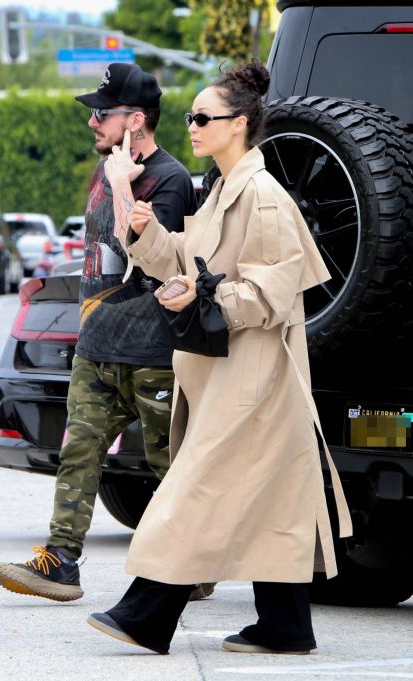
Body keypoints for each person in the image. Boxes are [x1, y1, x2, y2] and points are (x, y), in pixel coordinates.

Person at [86, 59, 352, 655]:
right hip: (227, 370)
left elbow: (275, 289)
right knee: (271, 501)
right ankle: (285, 626)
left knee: (195, 491)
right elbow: (184, 258)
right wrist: (142, 220)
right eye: (191, 117)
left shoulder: (262, 195)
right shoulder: (221, 190)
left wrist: (206, 295)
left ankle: (147, 613)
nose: (193, 126)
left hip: (254, 376)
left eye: (204, 117)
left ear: (239, 125)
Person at [0, 62, 199, 602]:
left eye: (101, 113)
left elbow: (153, 259)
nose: (92, 122)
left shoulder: (171, 179)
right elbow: (101, 255)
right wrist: (56, 288)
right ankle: (60, 562)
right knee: (79, 452)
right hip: (98, 346)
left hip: (152, 351)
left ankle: (192, 565)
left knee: (168, 464)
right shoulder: (108, 172)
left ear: (136, 121)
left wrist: (120, 184)